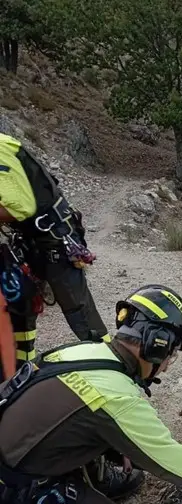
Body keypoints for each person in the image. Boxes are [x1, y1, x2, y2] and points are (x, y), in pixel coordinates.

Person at [0, 284, 182, 504]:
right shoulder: (116, 396)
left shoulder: (86, 352)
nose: (165, 368)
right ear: (157, 345)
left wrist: (117, 444)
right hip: (13, 489)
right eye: (171, 355)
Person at [0, 132, 110, 363]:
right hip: (33, 240)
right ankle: (20, 368)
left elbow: (21, 207)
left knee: (80, 314)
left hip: (54, 239)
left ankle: (113, 364)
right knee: (21, 305)